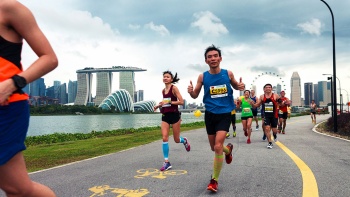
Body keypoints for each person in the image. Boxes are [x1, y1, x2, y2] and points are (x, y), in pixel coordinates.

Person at [0, 1, 58, 196]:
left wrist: (11, 84)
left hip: (6, 107)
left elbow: (49, 58)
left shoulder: (9, 8)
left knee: (18, 189)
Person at [187, 45, 245, 192]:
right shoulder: (203, 77)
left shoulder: (228, 73)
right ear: (206, 61)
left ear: (220, 58)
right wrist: (190, 92)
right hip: (210, 115)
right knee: (215, 148)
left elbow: (237, 87)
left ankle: (214, 180)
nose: (213, 58)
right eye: (209, 57)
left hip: (225, 114)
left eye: (215, 56)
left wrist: (241, 86)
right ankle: (228, 150)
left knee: (218, 146)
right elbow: (195, 95)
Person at [154, 71, 190, 171]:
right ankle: (166, 162)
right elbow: (166, 103)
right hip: (165, 116)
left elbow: (181, 102)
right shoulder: (163, 90)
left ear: (171, 79)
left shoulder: (174, 88)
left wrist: (170, 101)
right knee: (164, 138)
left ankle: (184, 140)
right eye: (164, 77)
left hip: (174, 115)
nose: (165, 78)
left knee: (176, 139)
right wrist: (158, 105)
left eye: (167, 77)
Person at [252, 84, 282, 149]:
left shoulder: (275, 95)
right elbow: (257, 105)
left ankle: (274, 135)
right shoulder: (262, 97)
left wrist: (283, 102)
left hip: (274, 115)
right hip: (266, 115)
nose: (268, 88)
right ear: (264, 89)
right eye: (266, 87)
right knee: (267, 128)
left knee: (274, 130)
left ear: (271, 89)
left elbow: (281, 103)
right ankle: (270, 143)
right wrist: (252, 104)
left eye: (269, 87)